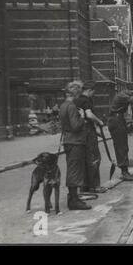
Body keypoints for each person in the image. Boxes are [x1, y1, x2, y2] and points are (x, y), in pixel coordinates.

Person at [59, 81, 91, 210]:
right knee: (75, 170)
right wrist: (82, 117)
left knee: (73, 169)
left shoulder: (63, 105)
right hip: (75, 142)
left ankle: (74, 198)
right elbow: (75, 127)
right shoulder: (71, 106)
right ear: (76, 93)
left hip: (68, 141)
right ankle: (73, 201)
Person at [75, 80, 107, 194]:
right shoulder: (86, 100)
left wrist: (96, 129)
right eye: (93, 92)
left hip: (82, 133)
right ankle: (95, 187)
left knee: (86, 159)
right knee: (95, 158)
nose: (94, 94)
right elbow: (89, 115)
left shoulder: (77, 100)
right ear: (89, 91)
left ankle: (86, 186)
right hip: (88, 133)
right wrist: (99, 121)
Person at [107, 88, 133, 181]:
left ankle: (125, 171)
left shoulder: (123, 95)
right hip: (116, 121)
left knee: (123, 146)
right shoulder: (122, 95)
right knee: (121, 146)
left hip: (118, 119)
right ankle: (124, 172)